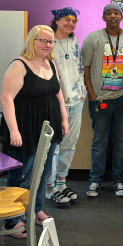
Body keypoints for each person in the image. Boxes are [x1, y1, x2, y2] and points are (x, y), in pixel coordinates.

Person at [0, 25, 68, 238]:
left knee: (42, 173)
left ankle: (34, 209)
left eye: (50, 42)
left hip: (49, 131)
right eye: (43, 41)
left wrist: (64, 120)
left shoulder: (51, 64)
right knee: (21, 175)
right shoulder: (19, 65)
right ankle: (11, 222)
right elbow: (6, 98)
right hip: (25, 129)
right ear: (32, 41)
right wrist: (14, 130)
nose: (47, 45)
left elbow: (58, 95)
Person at [81, 4, 123, 197]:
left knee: (121, 142)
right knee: (99, 141)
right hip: (100, 100)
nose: (113, 16)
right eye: (109, 13)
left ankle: (118, 180)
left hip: (122, 100)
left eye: (116, 13)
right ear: (103, 16)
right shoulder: (93, 38)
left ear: (121, 17)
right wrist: (91, 94)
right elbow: (86, 68)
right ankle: (95, 180)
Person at [44, 6, 86, 207]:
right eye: (67, 19)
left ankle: (62, 182)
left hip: (76, 101)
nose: (71, 23)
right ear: (57, 20)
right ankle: (49, 186)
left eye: (74, 21)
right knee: (54, 147)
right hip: (55, 102)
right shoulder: (48, 42)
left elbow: (78, 68)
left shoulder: (74, 41)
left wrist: (83, 92)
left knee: (70, 144)